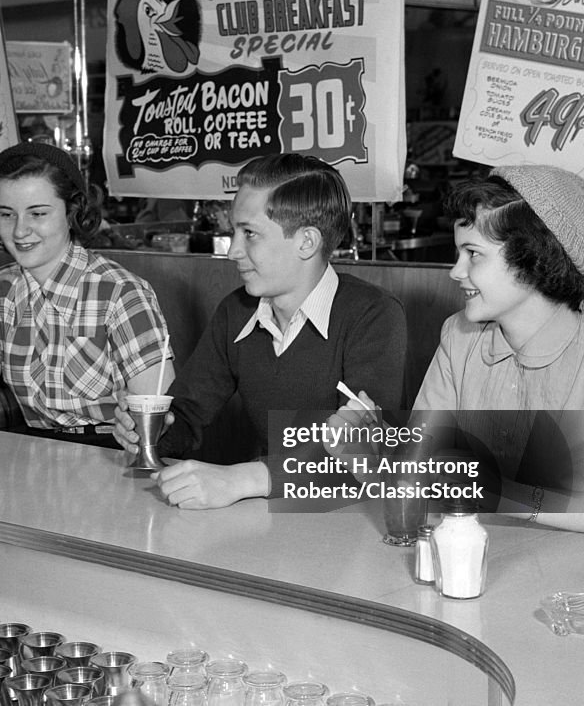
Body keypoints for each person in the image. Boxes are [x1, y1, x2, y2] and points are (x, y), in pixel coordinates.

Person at [332, 165, 584, 537]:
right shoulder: (460, 337)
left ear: (534, 260)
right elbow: (423, 475)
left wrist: (507, 495)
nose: (455, 271)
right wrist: (367, 459)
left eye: (473, 254)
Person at [114, 153, 407, 508]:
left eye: (249, 234)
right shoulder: (236, 311)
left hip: (355, 522)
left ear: (306, 242)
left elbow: (364, 451)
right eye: (233, 231)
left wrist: (242, 478)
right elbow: (187, 418)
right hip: (275, 519)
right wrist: (146, 433)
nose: (233, 251)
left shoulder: (373, 315)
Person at [0, 142, 174, 447]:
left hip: (113, 454)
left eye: (37, 213)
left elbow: (162, 422)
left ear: (71, 211)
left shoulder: (120, 293)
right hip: (36, 454)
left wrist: (136, 429)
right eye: (7, 214)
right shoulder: (0, 288)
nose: (20, 230)